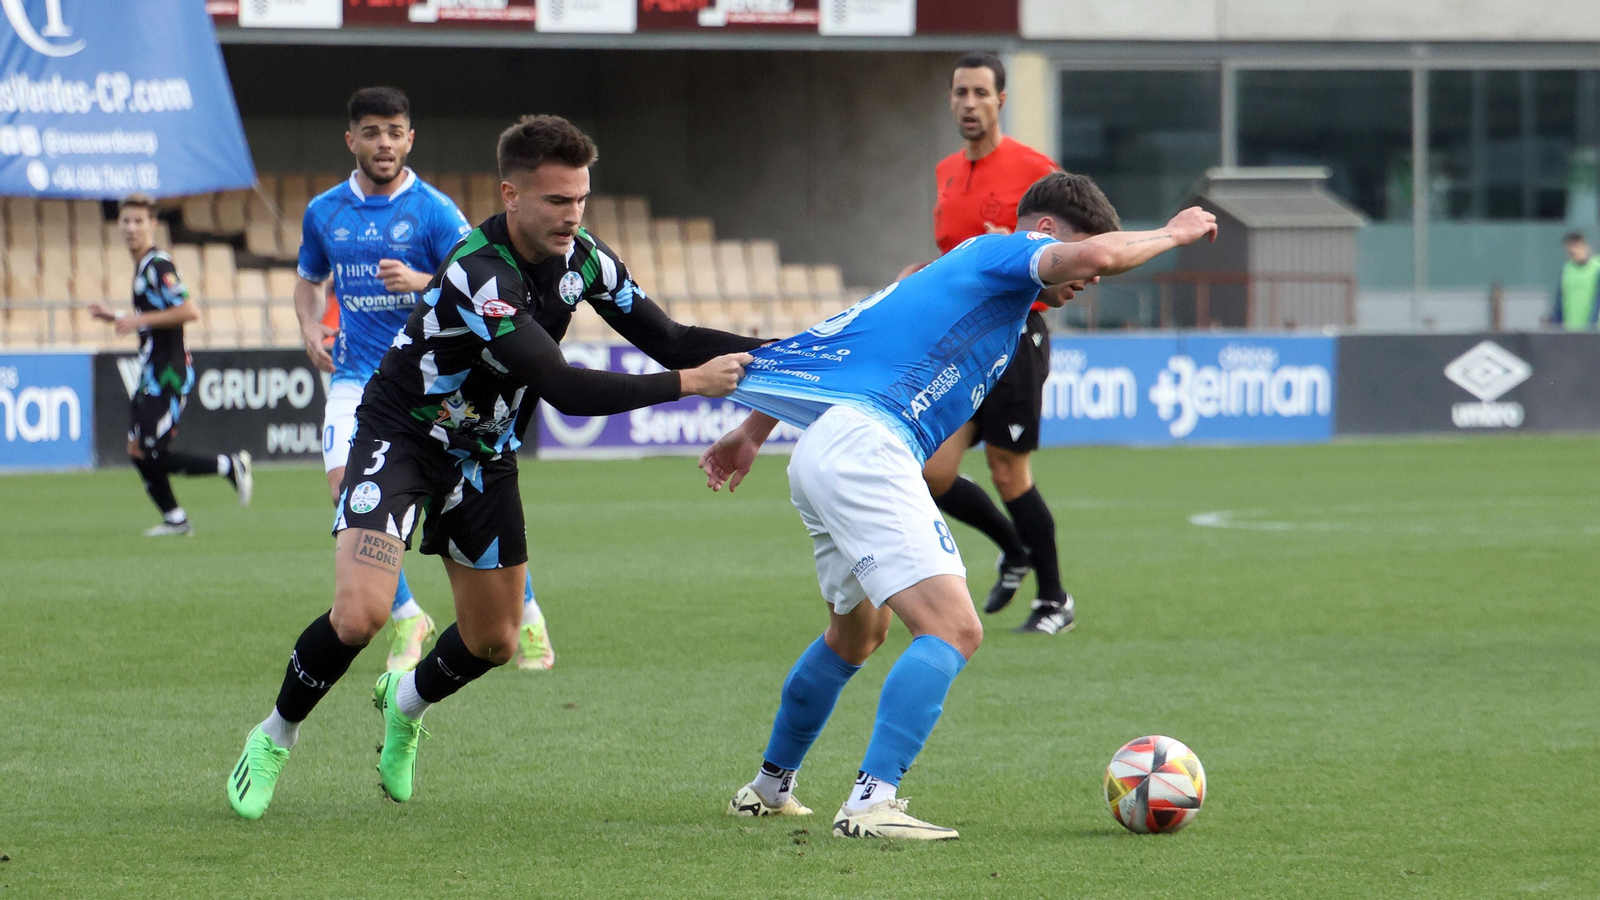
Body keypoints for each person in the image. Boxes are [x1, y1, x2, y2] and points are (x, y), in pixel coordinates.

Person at [226, 114, 759, 821]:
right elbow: (564, 387)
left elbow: (674, 337)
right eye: (557, 201)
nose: (573, 216)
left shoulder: (585, 260)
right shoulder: (479, 272)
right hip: (402, 437)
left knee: (495, 641)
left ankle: (405, 704)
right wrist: (691, 384)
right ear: (511, 195)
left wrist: (782, 353)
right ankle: (274, 735)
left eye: (581, 199)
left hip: (483, 456)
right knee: (361, 615)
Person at [703, 174, 1217, 839]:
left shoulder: (961, 280)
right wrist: (1173, 233)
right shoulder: (1003, 251)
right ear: (1045, 233)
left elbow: (840, 341)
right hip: (867, 447)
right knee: (954, 629)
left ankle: (768, 789)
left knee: (855, 636)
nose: (1090, 277)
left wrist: (752, 430)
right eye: (1080, 252)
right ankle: (870, 803)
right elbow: (1095, 255)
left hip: (831, 445)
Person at [295, 87, 553, 672]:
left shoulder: (434, 210)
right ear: (351, 140)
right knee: (346, 491)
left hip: (432, 383)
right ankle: (408, 614)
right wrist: (310, 326)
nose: (383, 143)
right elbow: (309, 279)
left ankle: (528, 612)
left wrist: (418, 281)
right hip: (357, 378)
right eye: (371, 132)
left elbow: (480, 275)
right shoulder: (324, 212)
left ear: (410, 139)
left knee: (465, 499)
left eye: (394, 132)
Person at [901, 52, 1080, 635]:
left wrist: (1022, 250)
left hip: (1017, 334)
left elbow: (1077, 242)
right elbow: (957, 256)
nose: (970, 103)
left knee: (1008, 471)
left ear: (1001, 100)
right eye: (961, 93)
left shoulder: (1035, 169)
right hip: (963, 341)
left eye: (981, 93)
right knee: (930, 472)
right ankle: (1013, 548)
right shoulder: (947, 172)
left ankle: (1054, 599)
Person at [88, 194, 252, 536]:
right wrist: (116, 316)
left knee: (151, 451)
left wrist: (135, 320)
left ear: (152, 224)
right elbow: (154, 316)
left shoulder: (159, 265)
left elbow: (188, 311)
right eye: (126, 221)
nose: (131, 228)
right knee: (138, 450)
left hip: (168, 373)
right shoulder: (143, 266)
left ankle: (229, 465)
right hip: (151, 372)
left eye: (138, 221)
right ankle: (175, 519)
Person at [1550, 232, 1600, 331]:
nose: (1573, 252)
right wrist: (1554, 321)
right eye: (1570, 250)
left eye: (1576, 247)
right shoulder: (1567, 270)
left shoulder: (1597, 268)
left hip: (1594, 331)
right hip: (1571, 330)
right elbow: (1560, 301)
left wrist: (1592, 324)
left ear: (1585, 246)